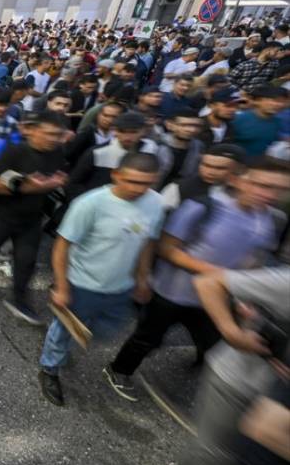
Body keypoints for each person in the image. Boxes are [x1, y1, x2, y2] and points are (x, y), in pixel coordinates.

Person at [105, 157, 290, 396]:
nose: (270, 194)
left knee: (213, 343)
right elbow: (167, 249)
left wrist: (246, 294)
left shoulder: (273, 219)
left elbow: (255, 258)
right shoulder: (203, 206)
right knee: (147, 339)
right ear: (237, 180)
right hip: (171, 293)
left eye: (280, 189)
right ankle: (119, 370)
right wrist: (218, 276)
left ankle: (203, 378)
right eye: (262, 185)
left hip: (216, 300)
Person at [148, 265, 290, 465]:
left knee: (227, 454)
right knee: (214, 451)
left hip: (266, 396)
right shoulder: (286, 283)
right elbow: (208, 283)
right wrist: (234, 334)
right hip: (236, 384)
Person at [38, 153, 165, 406]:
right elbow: (62, 245)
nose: (138, 189)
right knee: (64, 330)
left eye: (146, 183)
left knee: (104, 331)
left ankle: (65, 347)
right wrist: (61, 286)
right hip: (83, 284)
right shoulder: (90, 204)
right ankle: (49, 369)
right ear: (116, 175)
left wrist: (143, 278)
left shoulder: (156, 203)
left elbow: (148, 242)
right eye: (132, 181)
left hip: (122, 287)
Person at [0, 110, 67, 325]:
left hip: (32, 219)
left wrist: (55, 182)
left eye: (57, 135)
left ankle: (20, 300)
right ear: (34, 130)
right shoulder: (14, 151)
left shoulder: (56, 153)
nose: (53, 139)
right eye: (48, 133)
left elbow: (61, 177)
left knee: (26, 262)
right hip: (2, 215)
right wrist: (29, 187)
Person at [160, 143, 244, 210]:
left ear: (238, 170)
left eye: (219, 168)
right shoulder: (179, 188)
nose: (211, 172)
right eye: (206, 165)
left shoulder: (244, 193)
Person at [232, 85, 288, 157]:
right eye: (274, 100)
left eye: (282, 101)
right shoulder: (238, 120)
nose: (279, 104)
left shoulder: (278, 122)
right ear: (257, 101)